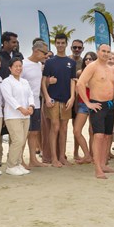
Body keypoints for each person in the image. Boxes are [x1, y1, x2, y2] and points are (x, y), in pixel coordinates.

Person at [78, 44, 114, 179]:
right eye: (103, 51)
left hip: (110, 105)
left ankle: (103, 164)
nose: (106, 54)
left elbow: (113, 88)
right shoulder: (92, 67)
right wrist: (88, 103)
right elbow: (80, 83)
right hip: (97, 104)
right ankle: (97, 168)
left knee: (108, 136)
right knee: (98, 136)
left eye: (108, 52)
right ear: (98, 52)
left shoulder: (110, 69)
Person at [41, 33, 77, 167]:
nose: (60, 45)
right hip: (53, 99)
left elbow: (73, 81)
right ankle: (54, 158)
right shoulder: (50, 62)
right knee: (55, 126)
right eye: (58, 43)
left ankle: (62, 156)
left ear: (66, 44)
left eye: (63, 43)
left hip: (66, 100)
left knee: (64, 128)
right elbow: (43, 81)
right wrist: (47, 97)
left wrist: (72, 97)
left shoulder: (71, 62)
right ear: (55, 44)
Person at [1, 58, 35, 176]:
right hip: (12, 115)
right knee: (17, 140)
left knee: (22, 140)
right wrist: (21, 108)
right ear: (10, 68)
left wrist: (31, 106)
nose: (18, 68)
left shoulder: (25, 81)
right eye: (16, 66)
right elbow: (9, 98)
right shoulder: (6, 82)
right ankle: (11, 165)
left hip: (26, 116)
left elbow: (30, 95)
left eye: (20, 66)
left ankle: (18, 163)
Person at [22, 41, 49, 168]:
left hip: (36, 103)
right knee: (24, 133)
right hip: (25, 105)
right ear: (36, 51)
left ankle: (33, 159)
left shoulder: (39, 65)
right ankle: (19, 160)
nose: (46, 55)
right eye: (44, 53)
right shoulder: (23, 64)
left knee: (34, 132)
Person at [73, 51, 97, 164]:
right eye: (86, 59)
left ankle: (93, 155)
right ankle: (87, 155)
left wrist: (82, 83)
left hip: (94, 103)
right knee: (76, 130)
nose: (88, 61)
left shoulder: (97, 72)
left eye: (90, 59)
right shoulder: (80, 72)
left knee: (92, 131)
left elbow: (95, 87)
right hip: (82, 103)